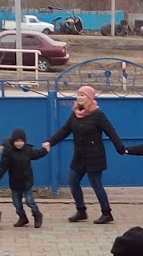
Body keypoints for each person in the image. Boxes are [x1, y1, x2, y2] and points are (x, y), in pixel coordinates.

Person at [44, 85, 127, 224]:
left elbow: (111, 131)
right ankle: (81, 211)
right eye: (78, 94)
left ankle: (106, 213)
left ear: (90, 98)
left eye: (82, 95)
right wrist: (50, 142)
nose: (79, 97)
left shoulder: (98, 115)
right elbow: (64, 130)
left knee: (96, 184)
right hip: (79, 156)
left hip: (95, 156)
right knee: (73, 181)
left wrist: (120, 148)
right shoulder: (75, 114)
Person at [0, 128, 50, 228]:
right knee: (16, 203)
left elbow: (37, 154)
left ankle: (37, 215)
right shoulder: (8, 152)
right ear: (13, 141)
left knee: (29, 201)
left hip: (27, 181)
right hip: (15, 182)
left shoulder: (28, 150)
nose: (19, 143)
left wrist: (45, 150)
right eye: (17, 141)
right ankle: (22, 218)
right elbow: (2, 166)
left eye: (22, 141)